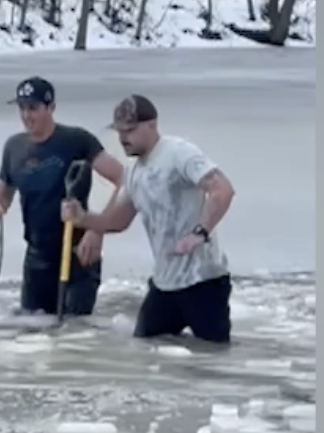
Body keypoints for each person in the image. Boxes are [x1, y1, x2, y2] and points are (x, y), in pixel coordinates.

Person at [62, 93, 236, 344]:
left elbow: (223, 190)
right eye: (119, 131)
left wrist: (200, 232)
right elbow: (117, 221)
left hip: (203, 281)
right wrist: (82, 218)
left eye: (130, 130)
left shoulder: (179, 153)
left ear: (152, 125)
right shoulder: (133, 170)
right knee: (145, 347)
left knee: (213, 357)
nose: (123, 138)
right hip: (165, 285)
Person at [0, 75, 126, 318]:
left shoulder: (76, 141)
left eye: (33, 108)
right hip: (37, 259)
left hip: (78, 254)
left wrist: (97, 230)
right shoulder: (14, 147)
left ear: (51, 107)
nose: (26, 115)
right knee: (33, 332)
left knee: (74, 333)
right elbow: (2, 196)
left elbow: (123, 179)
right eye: (22, 108)